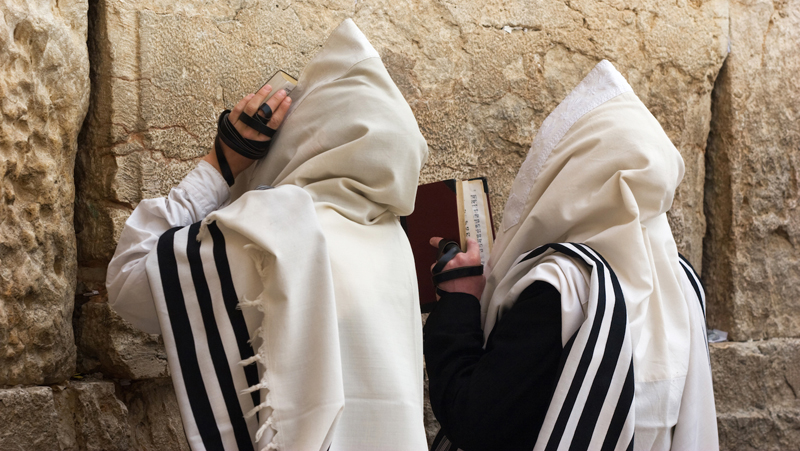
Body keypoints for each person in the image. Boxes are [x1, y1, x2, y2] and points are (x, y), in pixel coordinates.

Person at [106, 19, 429, 451]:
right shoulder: (391, 243)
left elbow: (130, 282)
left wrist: (222, 163)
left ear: (308, 132)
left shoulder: (278, 229)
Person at [423, 60, 717, 451]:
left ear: (570, 175)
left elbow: (475, 420)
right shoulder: (679, 281)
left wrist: (459, 301)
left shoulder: (563, 288)